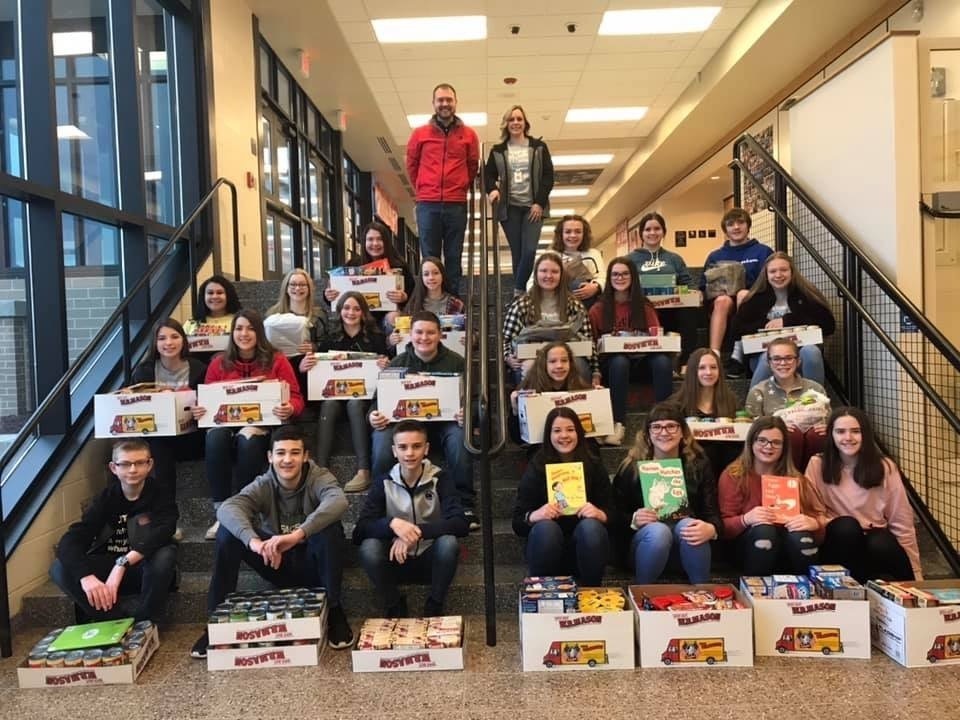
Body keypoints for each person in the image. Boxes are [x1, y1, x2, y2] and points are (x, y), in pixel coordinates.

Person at [190, 425, 353, 658]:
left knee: (329, 528)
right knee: (227, 532)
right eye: (281, 453)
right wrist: (255, 542)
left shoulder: (319, 477)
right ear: (270, 457)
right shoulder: (263, 483)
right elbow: (228, 507)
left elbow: (339, 501)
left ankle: (335, 609)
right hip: (275, 561)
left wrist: (297, 535)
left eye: (295, 453)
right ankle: (216, 623)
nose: (287, 459)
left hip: (314, 566)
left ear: (306, 456)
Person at [193, 309, 304, 540]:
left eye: (251, 328)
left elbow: (296, 396)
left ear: (259, 332)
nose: (244, 333)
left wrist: (290, 407)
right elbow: (206, 400)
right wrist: (200, 409)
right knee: (214, 437)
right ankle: (222, 511)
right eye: (239, 328)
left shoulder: (277, 359)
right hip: (225, 426)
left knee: (249, 439)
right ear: (232, 332)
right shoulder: (218, 363)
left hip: (262, 424)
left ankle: (244, 509)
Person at [368, 311, 477, 529]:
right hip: (406, 428)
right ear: (411, 335)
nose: (424, 338)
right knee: (381, 439)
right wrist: (373, 415)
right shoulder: (397, 363)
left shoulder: (457, 362)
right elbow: (376, 402)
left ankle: (465, 504)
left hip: (444, 425)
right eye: (419, 332)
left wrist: (468, 413)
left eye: (430, 333)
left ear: (440, 335)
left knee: (459, 437)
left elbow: (476, 399)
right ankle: (377, 504)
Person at [49, 439, 178, 623]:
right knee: (59, 568)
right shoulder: (105, 499)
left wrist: (123, 563)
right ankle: (113, 619)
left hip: (145, 569)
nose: (132, 469)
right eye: (125, 464)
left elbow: (164, 531)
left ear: (149, 465)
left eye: (139, 462)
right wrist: (86, 577)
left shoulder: (161, 494)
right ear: (113, 468)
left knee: (165, 555)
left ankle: (145, 622)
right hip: (110, 570)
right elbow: (73, 539)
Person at [353, 420, 469, 618]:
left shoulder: (441, 478)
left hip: (430, 558)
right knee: (368, 548)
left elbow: (460, 523)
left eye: (416, 446)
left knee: (449, 543)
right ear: (393, 451)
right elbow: (360, 530)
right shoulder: (383, 482)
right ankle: (394, 603)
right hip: (394, 557)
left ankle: (435, 603)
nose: (409, 453)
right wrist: (392, 525)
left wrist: (415, 532)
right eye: (403, 447)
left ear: (426, 449)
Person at [806, 407, 921, 581]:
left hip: (872, 544)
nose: (848, 438)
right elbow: (812, 513)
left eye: (855, 431)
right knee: (847, 527)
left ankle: (912, 598)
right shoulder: (817, 464)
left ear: (865, 435)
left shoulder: (885, 467)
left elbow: (902, 521)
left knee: (880, 541)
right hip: (837, 542)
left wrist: (917, 573)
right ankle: (853, 593)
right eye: (840, 432)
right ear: (831, 435)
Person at [611, 404, 720, 584]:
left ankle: (703, 592)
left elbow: (713, 514)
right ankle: (642, 593)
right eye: (656, 427)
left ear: (682, 432)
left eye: (671, 426)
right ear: (647, 434)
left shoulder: (698, 466)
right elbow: (613, 516)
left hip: (686, 548)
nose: (664, 432)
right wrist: (634, 519)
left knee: (689, 525)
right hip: (645, 548)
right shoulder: (631, 468)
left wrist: (711, 529)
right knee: (658, 531)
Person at [300, 291, 391, 493]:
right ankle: (321, 469)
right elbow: (316, 374)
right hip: (334, 395)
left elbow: (388, 371)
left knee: (355, 403)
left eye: (356, 308)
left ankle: (363, 469)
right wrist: (306, 367)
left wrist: (386, 364)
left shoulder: (376, 338)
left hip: (364, 397)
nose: (351, 312)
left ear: (364, 312)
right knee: (329, 404)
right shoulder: (330, 339)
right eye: (346, 308)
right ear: (339, 311)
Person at [512, 407, 611, 586]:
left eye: (570, 429)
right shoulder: (537, 466)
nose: (564, 435)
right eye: (557, 430)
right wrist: (535, 515)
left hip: (586, 548)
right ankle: (542, 593)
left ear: (579, 433)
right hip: (545, 547)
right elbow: (518, 522)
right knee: (546, 528)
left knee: (591, 527)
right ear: (548, 435)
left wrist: (600, 514)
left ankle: (592, 592)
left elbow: (616, 514)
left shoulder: (593, 464)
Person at [717, 415, 825, 575]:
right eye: (762, 440)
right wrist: (746, 519)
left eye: (776, 442)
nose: (768, 447)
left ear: (784, 447)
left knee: (801, 536)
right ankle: (756, 590)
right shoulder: (734, 475)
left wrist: (814, 523)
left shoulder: (795, 478)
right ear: (751, 442)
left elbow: (821, 528)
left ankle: (809, 590)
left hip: (788, 547)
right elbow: (722, 528)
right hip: (748, 547)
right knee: (765, 530)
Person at [406, 83, 480, 294]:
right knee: (430, 257)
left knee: (454, 255)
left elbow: (472, 165)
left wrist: (460, 187)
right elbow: (412, 165)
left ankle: (453, 302)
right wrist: (422, 187)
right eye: (440, 100)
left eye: (449, 100)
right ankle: (429, 302)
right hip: (427, 204)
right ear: (434, 104)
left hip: (456, 204)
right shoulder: (420, 134)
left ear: (455, 103)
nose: (445, 104)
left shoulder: (469, 135)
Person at [590, 257, 673, 445]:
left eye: (625, 273)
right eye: (615, 274)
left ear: (633, 277)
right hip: (613, 367)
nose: (620, 278)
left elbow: (657, 338)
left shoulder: (644, 306)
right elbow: (593, 345)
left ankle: (664, 420)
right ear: (609, 278)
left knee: (663, 362)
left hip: (642, 362)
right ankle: (618, 424)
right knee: (619, 361)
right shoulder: (598, 309)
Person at [731, 251, 835, 388]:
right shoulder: (755, 298)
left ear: (792, 272)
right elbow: (736, 330)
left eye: (783, 270)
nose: (778, 275)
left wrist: (786, 321)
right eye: (773, 271)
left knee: (811, 351)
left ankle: (815, 402)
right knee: (768, 358)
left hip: (800, 356)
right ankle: (755, 406)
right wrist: (766, 325)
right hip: (763, 355)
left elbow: (828, 325)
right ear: (766, 275)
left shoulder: (806, 295)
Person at [130, 317, 207, 496]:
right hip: (157, 435)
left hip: (191, 436)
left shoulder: (199, 368)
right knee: (158, 444)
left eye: (174, 337)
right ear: (154, 343)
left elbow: (209, 404)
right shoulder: (144, 371)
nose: (169, 343)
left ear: (183, 340)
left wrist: (201, 410)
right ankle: (164, 509)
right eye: (162, 338)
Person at [483, 105, 554, 295]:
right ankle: (522, 294)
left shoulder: (538, 147)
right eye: (511, 119)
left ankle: (519, 289)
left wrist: (539, 202)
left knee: (530, 250)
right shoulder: (498, 151)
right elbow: (488, 175)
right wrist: (492, 190)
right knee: (518, 252)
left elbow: (548, 176)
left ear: (525, 123)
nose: (515, 123)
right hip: (510, 208)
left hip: (533, 207)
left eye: (519, 119)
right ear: (506, 124)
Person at [503, 251, 599, 385]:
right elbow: (507, 338)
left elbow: (588, 340)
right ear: (536, 274)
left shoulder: (574, 305)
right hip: (533, 357)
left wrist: (595, 371)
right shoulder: (521, 304)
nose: (549, 276)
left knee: (580, 368)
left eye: (554, 272)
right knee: (528, 368)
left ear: (561, 275)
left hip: (569, 357)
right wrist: (507, 357)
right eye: (543, 271)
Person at [698, 208, 773, 378]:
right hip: (723, 303)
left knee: (742, 295)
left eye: (741, 223)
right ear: (725, 230)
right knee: (722, 301)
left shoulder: (763, 251)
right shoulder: (715, 255)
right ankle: (714, 354)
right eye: (731, 224)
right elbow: (703, 284)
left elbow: (770, 280)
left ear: (748, 226)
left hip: (754, 301)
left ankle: (738, 353)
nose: (736, 227)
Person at [626, 212, 699, 371]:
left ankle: (686, 363)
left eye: (657, 229)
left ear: (663, 232)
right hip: (641, 310)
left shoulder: (674, 259)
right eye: (648, 229)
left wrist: (694, 292)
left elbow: (688, 283)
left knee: (689, 310)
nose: (652, 233)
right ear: (641, 234)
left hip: (671, 310)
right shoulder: (630, 259)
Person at [745, 337, 829, 471]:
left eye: (789, 358)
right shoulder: (758, 392)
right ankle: (790, 479)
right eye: (777, 359)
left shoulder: (816, 389)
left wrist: (827, 428)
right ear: (769, 363)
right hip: (774, 452)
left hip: (813, 447)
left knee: (818, 434)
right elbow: (751, 428)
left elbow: (828, 421)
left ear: (798, 361)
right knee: (790, 434)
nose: (783, 363)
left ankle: (812, 481)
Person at [324, 221, 415, 330]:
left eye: (380, 239)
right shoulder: (353, 264)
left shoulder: (399, 265)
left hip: (387, 319)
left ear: (386, 242)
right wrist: (328, 296)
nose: (375, 243)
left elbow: (414, 295)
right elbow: (336, 298)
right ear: (364, 242)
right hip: (358, 317)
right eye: (370, 239)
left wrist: (404, 297)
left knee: (393, 316)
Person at [670, 348, 743, 479]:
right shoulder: (677, 404)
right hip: (691, 469)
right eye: (702, 368)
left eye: (713, 367)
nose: (708, 372)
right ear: (693, 371)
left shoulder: (731, 401)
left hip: (725, 467)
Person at [508, 341, 592, 446]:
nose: (559, 365)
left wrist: (599, 400)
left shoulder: (582, 389)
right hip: (542, 450)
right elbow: (518, 439)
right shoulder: (529, 391)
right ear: (544, 364)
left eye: (564, 360)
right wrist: (515, 410)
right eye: (552, 361)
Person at [265, 268, 327, 389]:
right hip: (279, 367)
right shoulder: (272, 315)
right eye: (293, 284)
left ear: (309, 288)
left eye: (302, 285)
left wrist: (314, 347)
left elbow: (326, 344)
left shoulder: (318, 315)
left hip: (308, 370)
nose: (297, 288)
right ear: (286, 288)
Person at [389, 257, 465, 348]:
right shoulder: (412, 305)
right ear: (421, 278)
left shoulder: (457, 304)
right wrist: (392, 339)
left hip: (449, 354)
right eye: (426, 274)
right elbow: (400, 334)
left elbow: (472, 333)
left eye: (436, 273)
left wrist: (472, 338)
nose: (431, 277)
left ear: (442, 275)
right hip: (418, 357)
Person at [547, 215, 605, 309]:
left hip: (588, 304)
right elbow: (533, 282)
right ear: (560, 234)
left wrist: (595, 287)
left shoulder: (593, 254)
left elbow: (603, 277)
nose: (573, 235)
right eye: (568, 232)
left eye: (578, 231)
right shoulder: (551, 255)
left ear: (584, 234)